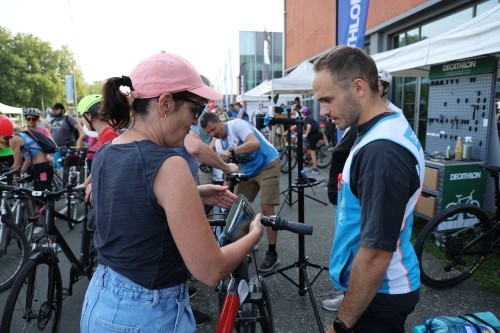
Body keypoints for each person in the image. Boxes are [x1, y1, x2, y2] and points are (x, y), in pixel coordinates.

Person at [80, 51, 264, 333]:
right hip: (146, 313)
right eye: (195, 109)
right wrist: (253, 235)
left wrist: (193, 193)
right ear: (165, 103)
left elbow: (131, 208)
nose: (195, 122)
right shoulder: (169, 165)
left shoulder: (106, 151)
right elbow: (209, 269)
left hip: (100, 299)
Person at [312, 45, 424, 333]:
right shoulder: (384, 123)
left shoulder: (381, 153)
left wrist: (342, 325)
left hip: (381, 294)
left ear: (358, 88)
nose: (323, 112)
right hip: (378, 290)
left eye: (327, 100)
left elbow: (376, 254)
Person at [200, 111, 280, 272]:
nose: (213, 134)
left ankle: (272, 253)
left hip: (268, 163)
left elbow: (254, 144)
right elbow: (228, 171)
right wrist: (222, 191)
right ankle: (249, 240)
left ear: (220, 122)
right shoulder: (219, 144)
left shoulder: (237, 125)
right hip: (249, 170)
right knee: (237, 206)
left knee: (267, 208)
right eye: (209, 133)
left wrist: (231, 152)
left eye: (214, 129)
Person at [300, 107, 324, 175]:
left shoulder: (306, 120)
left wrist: (305, 134)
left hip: (312, 138)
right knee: (323, 135)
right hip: (317, 135)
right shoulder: (310, 119)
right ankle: (328, 146)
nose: (301, 114)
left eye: (301, 113)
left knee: (313, 154)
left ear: (303, 113)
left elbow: (309, 127)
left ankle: (315, 168)